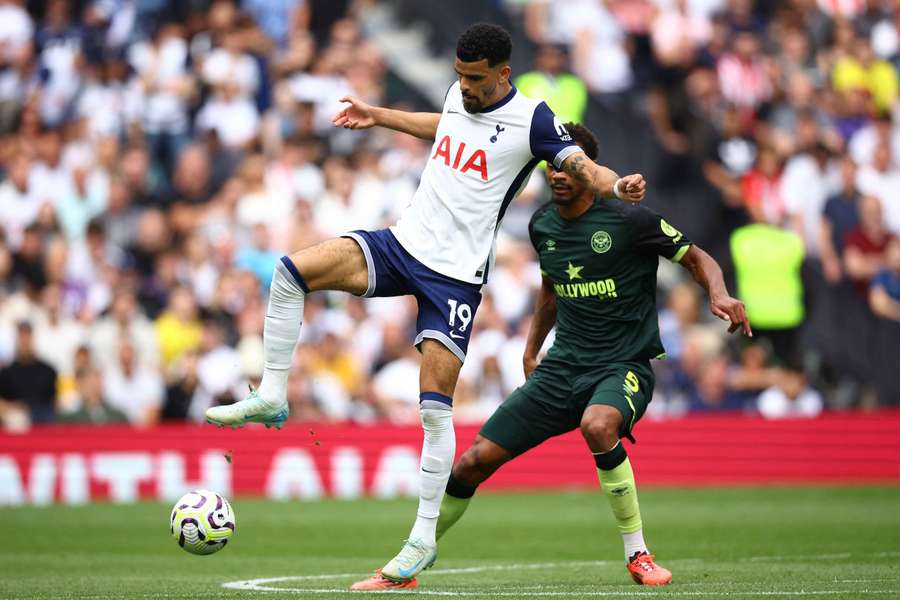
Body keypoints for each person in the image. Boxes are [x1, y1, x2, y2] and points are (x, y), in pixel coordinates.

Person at [205, 23, 646, 583]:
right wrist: (380, 114)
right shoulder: (460, 94)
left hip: (454, 279)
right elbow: (445, 126)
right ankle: (271, 394)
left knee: (433, 408)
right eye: (459, 75)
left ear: (503, 73)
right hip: (402, 244)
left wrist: (615, 188)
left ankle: (420, 541)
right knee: (292, 271)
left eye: (476, 79)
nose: (464, 85)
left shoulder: (532, 120)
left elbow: (582, 164)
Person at [352, 123, 750, 590]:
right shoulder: (543, 225)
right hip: (561, 368)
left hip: (623, 366)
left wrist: (719, 294)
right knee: (472, 462)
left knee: (598, 425)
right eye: (552, 164)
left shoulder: (628, 219)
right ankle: (410, 562)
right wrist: (530, 349)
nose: (557, 173)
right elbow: (551, 289)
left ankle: (638, 553)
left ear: (590, 170)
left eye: (567, 165)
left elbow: (696, 256)